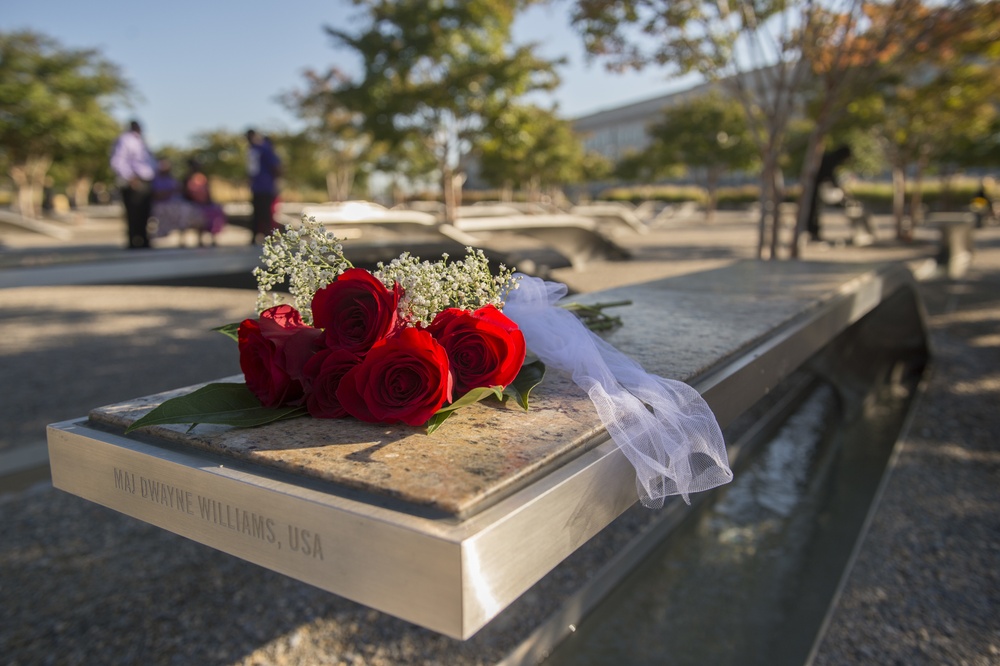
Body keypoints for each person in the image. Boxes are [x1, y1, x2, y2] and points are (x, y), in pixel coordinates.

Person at [110, 120, 158, 249]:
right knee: (133, 213)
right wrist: (130, 178)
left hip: (146, 181)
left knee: (145, 213)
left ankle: (144, 240)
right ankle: (134, 241)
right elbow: (117, 161)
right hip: (134, 181)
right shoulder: (125, 140)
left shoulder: (141, 141)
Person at [805, 145, 852, 242]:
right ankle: (812, 232)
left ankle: (813, 232)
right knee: (813, 210)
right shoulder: (831, 160)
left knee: (814, 210)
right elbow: (830, 176)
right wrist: (839, 188)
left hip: (815, 187)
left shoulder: (829, 158)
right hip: (813, 187)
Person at [246, 129, 281, 244]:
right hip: (263, 187)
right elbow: (276, 168)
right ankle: (265, 237)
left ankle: (261, 237)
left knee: (261, 213)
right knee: (263, 213)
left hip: (261, 187)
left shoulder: (258, 149)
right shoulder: (261, 149)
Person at [182, 158, 227, 245]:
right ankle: (199, 238)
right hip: (192, 204)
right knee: (197, 213)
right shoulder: (187, 178)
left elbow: (208, 192)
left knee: (215, 211)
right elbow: (186, 193)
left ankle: (213, 237)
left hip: (205, 204)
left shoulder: (203, 177)